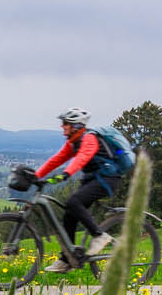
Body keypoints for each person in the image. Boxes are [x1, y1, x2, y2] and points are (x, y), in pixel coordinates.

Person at [34, 108, 115, 272]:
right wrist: (36, 176)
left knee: (74, 202)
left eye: (66, 123)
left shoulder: (89, 138)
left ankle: (100, 235)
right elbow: (55, 160)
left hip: (107, 179)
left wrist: (67, 173)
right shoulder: (73, 143)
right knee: (69, 214)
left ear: (76, 125)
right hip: (93, 179)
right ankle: (67, 259)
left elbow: (83, 157)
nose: (62, 127)